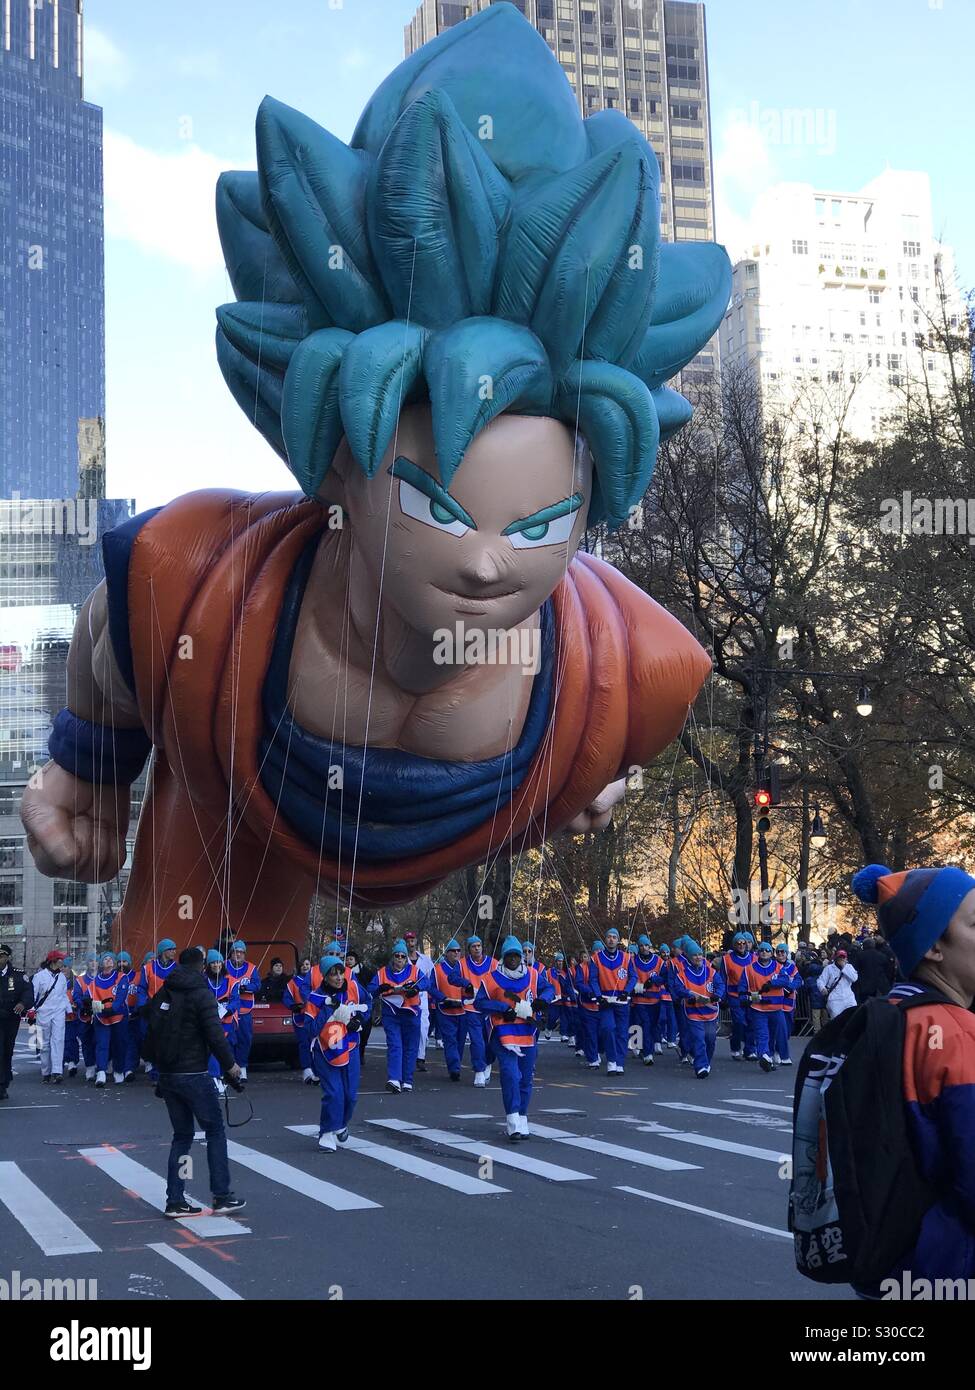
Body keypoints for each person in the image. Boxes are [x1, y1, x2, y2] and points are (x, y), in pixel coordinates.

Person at [847, 861, 975, 1288]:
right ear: (935, 946)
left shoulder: (886, 1015)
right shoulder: (956, 1034)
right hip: (953, 1261)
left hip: (890, 1255)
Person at [152, 947, 245, 1217]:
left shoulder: (165, 991)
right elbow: (215, 1035)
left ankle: (176, 1199)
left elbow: (152, 1029)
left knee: (182, 1136)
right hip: (193, 1072)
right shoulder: (202, 994)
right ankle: (221, 1194)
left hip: (168, 1074)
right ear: (202, 966)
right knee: (215, 1131)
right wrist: (231, 1066)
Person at [474, 935, 555, 1140]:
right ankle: (512, 1120)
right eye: (509, 955)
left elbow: (549, 988)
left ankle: (522, 1117)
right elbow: (479, 1003)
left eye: (517, 955)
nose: (513, 959)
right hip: (502, 1033)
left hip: (528, 1032)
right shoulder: (491, 978)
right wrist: (502, 1008)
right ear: (503, 956)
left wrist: (542, 1001)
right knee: (510, 1074)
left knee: (526, 1077)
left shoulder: (534, 975)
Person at [300, 954, 369, 1150]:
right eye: (333, 974)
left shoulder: (354, 987)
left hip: (351, 1048)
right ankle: (326, 1132)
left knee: (351, 1095)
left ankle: (339, 1124)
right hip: (325, 1051)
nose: (339, 977)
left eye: (341, 972)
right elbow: (310, 1029)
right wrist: (328, 1009)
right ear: (325, 977)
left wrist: (359, 1020)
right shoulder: (315, 998)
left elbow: (368, 1003)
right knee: (334, 1093)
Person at [374, 939, 429, 1093]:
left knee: (410, 1047)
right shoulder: (382, 972)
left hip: (411, 1014)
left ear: (406, 958)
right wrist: (380, 989)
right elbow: (371, 990)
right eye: (397, 956)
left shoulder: (414, 971)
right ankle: (394, 1079)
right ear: (392, 957)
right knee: (395, 1045)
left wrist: (416, 988)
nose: (399, 959)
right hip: (391, 1014)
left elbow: (427, 983)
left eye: (402, 956)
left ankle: (407, 1079)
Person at [669, 940, 725, 1078]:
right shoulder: (682, 973)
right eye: (695, 955)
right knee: (698, 1038)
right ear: (688, 956)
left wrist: (717, 996)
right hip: (693, 1011)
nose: (698, 957)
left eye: (700, 954)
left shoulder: (711, 972)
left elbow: (720, 985)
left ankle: (706, 1062)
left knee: (710, 1038)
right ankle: (700, 1066)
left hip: (710, 1011)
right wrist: (690, 995)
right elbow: (679, 988)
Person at [589, 926, 634, 1075]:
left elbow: (633, 977)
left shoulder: (626, 957)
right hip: (605, 1000)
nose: (611, 939)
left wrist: (626, 991)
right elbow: (593, 979)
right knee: (607, 1028)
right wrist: (598, 995)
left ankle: (619, 1062)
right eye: (609, 936)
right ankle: (611, 1060)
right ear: (605, 939)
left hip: (622, 1000)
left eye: (614, 937)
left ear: (618, 940)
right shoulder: (596, 958)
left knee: (622, 1032)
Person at [89, 950, 131, 1086]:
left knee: (120, 1044)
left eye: (111, 959)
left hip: (118, 1017)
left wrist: (111, 1008)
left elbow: (120, 998)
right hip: (101, 1018)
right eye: (105, 958)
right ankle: (101, 1072)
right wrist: (96, 1009)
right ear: (101, 963)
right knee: (102, 1044)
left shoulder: (121, 977)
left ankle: (119, 1070)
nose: (109, 960)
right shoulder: (95, 981)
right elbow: (90, 998)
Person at [428, 938, 468, 1081]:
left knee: (461, 1040)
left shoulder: (464, 968)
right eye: (453, 951)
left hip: (463, 1009)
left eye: (458, 950)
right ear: (446, 953)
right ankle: (454, 1069)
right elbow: (430, 987)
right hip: (445, 1009)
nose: (456, 953)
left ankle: (456, 1063)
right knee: (450, 1039)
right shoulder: (437, 969)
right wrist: (442, 998)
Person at [458, 935, 494, 1086]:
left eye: (479, 945)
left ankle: (488, 1063)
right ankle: (479, 1071)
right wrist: (466, 984)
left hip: (490, 1008)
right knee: (477, 1040)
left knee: (491, 1041)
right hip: (471, 1006)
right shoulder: (462, 964)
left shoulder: (493, 963)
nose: (477, 948)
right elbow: (452, 977)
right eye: (474, 946)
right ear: (469, 949)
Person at [203, 950, 240, 1097]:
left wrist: (225, 1010)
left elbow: (236, 1001)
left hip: (227, 1020)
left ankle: (224, 1077)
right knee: (213, 1048)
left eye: (218, 962)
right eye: (213, 962)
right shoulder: (203, 980)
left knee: (227, 1048)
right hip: (210, 1020)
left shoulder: (232, 981)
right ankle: (214, 1076)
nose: (216, 965)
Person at [738, 940, 779, 1071]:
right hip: (758, 1007)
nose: (764, 953)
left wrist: (773, 984)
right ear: (757, 953)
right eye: (761, 950)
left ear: (771, 953)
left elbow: (787, 980)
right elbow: (742, 987)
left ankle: (769, 1057)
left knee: (773, 1035)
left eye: (767, 950)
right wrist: (745, 998)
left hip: (776, 1007)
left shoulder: (778, 966)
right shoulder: (748, 968)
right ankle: (764, 1055)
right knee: (762, 1034)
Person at [30, 949, 70, 1083]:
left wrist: (69, 1010)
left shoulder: (62, 977)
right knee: (44, 1044)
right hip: (43, 1013)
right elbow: (33, 995)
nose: (62, 962)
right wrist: (31, 1010)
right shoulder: (39, 976)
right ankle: (45, 1071)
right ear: (53, 960)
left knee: (58, 1040)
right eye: (60, 959)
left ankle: (57, 1071)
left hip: (58, 1012)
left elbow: (64, 995)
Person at [225, 940, 261, 1082]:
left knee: (245, 1039)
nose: (238, 954)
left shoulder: (251, 968)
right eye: (235, 952)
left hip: (245, 1009)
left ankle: (242, 1067)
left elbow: (257, 985)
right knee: (229, 1039)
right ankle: (229, 1067)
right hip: (228, 1009)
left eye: (241, 952)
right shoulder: (224, 965)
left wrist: (246, 988)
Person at [0, 944, 32, 1101]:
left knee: (7, 1050)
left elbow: (28, 992)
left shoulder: (18, 975)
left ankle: (4, 1083)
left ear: (7, 957)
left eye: (2, 956)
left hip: (11, 1018)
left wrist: (23, 1004)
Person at [402, 931, 434, 1072]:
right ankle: (408, 1055)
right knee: (408, 1027)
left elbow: (431, 978)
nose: (411, 943)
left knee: (423, 1028)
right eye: (408, 941)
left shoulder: (425, 960)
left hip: (422, 997)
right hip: (406, 997)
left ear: (416, 941)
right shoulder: (401, 958)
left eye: (413, 940)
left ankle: (420, 1057)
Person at [719, 931, 754, 1059]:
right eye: (738, 943)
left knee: (751, 1022)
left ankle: (750, 1050)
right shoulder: (726, 959)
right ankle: (735, 1047)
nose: (741, 945)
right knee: (739, 1022)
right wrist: (722, 998)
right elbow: (723, 979)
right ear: (734, 944)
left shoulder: (753, 957)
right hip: (734, 995)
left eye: (743, 942)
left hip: (750, 995)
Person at [630, 935, 662, 1066]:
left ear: (650, 946)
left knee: (653, 1025)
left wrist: (653, 980)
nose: (644, 948)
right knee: (645, 1024)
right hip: (639, 999)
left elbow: (664, 977)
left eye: (646, 945)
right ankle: (648, 1053)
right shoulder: (632, 961)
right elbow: (629, 977)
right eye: (641, 945)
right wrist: (637, 986)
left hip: (655, 999)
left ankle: (644, 1048)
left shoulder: (659, 961)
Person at [767, 942, 799, 1066]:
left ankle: (779, 1050)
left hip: (788, 1003)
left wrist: (789, 988)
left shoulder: (792, 967)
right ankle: (772, 1053)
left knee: (787, 1030)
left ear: (787, 953)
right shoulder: (772, 966)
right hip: (775, 1003)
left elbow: (798, 980)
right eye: (778, 951)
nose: (780, 954)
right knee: (774, 1029)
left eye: (783, 952)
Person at [574, 945, 601, 1068]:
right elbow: (578, 983)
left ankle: (598, 1051)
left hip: (603, 1005)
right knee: (590, 1032)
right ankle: (593, 1057)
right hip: (587, 1004)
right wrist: (589, 992)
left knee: (603, 1031)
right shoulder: (581, 968)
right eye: (595, 951)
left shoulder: (606, 967)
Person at [818, 947, 858, 1019]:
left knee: (852, 1018)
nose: (841, 959)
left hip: (849, 998)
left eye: (843, 957)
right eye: (840, 957)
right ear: (836, 958)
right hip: (835, 999)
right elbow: (820, 980)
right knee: (837, 1021)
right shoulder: (829, 968)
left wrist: (844, 967)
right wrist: (822, 988)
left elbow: (854, 978)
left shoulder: (849, 967)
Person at [655, 942, 677, 1051]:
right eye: (663, 952)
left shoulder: (671, 963)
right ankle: (657, 1040)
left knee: (672, 1019)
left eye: (667, 952)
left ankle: (671, 1039)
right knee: (661, 1019)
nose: (666, 954)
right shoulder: (658, 963)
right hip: (661, 996)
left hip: (670, 996)